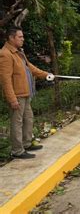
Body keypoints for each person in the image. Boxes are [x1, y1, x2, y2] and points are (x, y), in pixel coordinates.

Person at [0, 27, 52, 159]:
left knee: (28, 118)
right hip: (17, 95)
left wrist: (46, 74)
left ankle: (27, 143)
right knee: (17, 122)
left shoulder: (19, 52)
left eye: (22, 36)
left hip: (25, 93)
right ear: (11, 38)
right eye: (20, 37)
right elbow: (5, 79)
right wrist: (12, 99)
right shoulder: (5, 54)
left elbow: (30, 68)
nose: (23, 39)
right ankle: (17, 150)